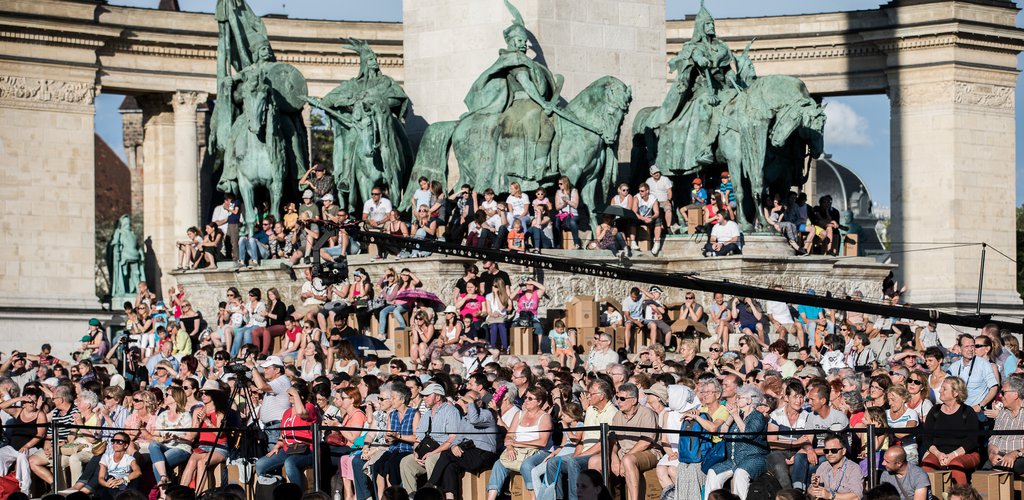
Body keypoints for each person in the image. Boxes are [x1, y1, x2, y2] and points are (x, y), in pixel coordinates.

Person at [486, 386, 553, 500]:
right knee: (499, 464)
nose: (526, 400)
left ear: (539, 401)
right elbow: (509, 435)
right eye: (526, 397)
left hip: (540, 451)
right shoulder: (520, 414)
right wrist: (510, 447)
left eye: (530, 398)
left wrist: (517, 444)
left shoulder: (545, 417)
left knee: (526, 465)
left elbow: (542, 442)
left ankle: (534, 497)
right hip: (518, 449)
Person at [704, 385, 769, 500]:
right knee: (713, 472)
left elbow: (749, 434)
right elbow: (721, 433)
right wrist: (730, 418)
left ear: (749, 400)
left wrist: (735, 415)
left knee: (740, 473)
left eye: (740, 397)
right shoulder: (737, 416)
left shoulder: (757, 416)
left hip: (753, 459)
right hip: (733, 460)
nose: (736, 400)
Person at [255, 381, 320, 490]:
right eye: (289, 394)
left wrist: (295, 393)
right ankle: (276, 489)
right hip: (289, 449)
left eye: (293, 395)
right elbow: (283, 433)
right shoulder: (287, 412)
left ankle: (298, 494)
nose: (289, 396)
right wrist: (277, 446)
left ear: (301, 397)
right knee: (260, 464)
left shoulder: (309, 407)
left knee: (290, 463)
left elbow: (301, 413)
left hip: (307, 450)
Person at [605, 383, 661, 500]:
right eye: (617, 398)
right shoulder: (617, 416)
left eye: (622, 399)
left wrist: (625, 456)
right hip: (624, 452)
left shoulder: (646, 413)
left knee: (627, 460)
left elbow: (646, 442)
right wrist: (614, 456)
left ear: (634, 400)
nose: (618, 402)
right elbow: (613, 440)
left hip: (649, 452)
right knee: (595, 461)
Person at [920, 377, 981, 484]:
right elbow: (927, 437)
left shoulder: (968, 412)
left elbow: (972, 440)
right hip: (938, 452)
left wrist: (952, 455)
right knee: (928, 464)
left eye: (944, 388)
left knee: (956, 465)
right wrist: (938, 454)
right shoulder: (935, 410)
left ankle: (961, 495)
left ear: (956, 393)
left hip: (964, 453)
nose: (940, 391)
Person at [251, 355, 292, 446]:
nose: (264, 370)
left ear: (277, 370)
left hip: (276, 428)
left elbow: (262, 386)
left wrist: (253, 368)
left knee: (273, 457)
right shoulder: (277, 382)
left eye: (267, 368)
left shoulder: (282, 381)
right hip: (270, 427)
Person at [986, 375, 1024, 473]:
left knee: (1003, 467)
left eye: (1003, 393)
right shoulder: (1002, 412)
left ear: (1015, 395)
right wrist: (992, 454)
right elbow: (994, 439)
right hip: (1000, 456)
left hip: (1020, 457)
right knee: (983, 471)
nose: (1000, 396)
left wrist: (1015, 453)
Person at [808, 433, 862, 500]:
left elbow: (856, 496)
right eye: (826, 451)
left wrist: (830, 496)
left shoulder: (853, 468)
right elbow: (811, 493)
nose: (830, 454)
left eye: (834, 450)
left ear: (843, 451)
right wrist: (814, 487)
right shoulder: (823, 466)